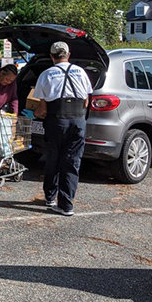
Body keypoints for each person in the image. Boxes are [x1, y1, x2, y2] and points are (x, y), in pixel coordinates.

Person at [32, 41, 92, 217]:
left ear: (52, 56)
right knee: (72, 162)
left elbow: (42, 109)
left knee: (53, 159)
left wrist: (35, 113)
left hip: (56, 122)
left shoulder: (46, 74)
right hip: (78, 122)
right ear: (68, 54)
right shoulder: (81, 72)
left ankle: (50, 197)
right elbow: (86, 101)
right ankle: (66, 205)